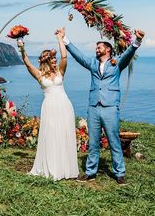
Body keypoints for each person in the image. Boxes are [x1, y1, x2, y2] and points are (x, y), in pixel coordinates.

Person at [57, 27, 145, 186]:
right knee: (93, 142)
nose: (96, 49)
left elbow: (128, 55)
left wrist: (137, 40)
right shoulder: (92, 63)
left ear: (108, 49)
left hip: (110, 107)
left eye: (99, 47)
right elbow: (79, 56)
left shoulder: (116, 63)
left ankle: (120, 174)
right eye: (96, 48)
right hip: (93, 107)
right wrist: (65, 39)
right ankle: (90, 172)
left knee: (114, 141)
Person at [17, 29, 79, 181]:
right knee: (51, 135)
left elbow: (64, 56)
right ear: (45, 60)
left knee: (64, 133)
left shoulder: (60, 72)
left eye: (54, 59)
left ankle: (66, 168)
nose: (54, 61)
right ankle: (52, 168)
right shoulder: (39, 75)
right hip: (49, 107)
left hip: (64, 105)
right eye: (51, 59)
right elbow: (26, 62)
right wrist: (21, 47)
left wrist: (60, 38)